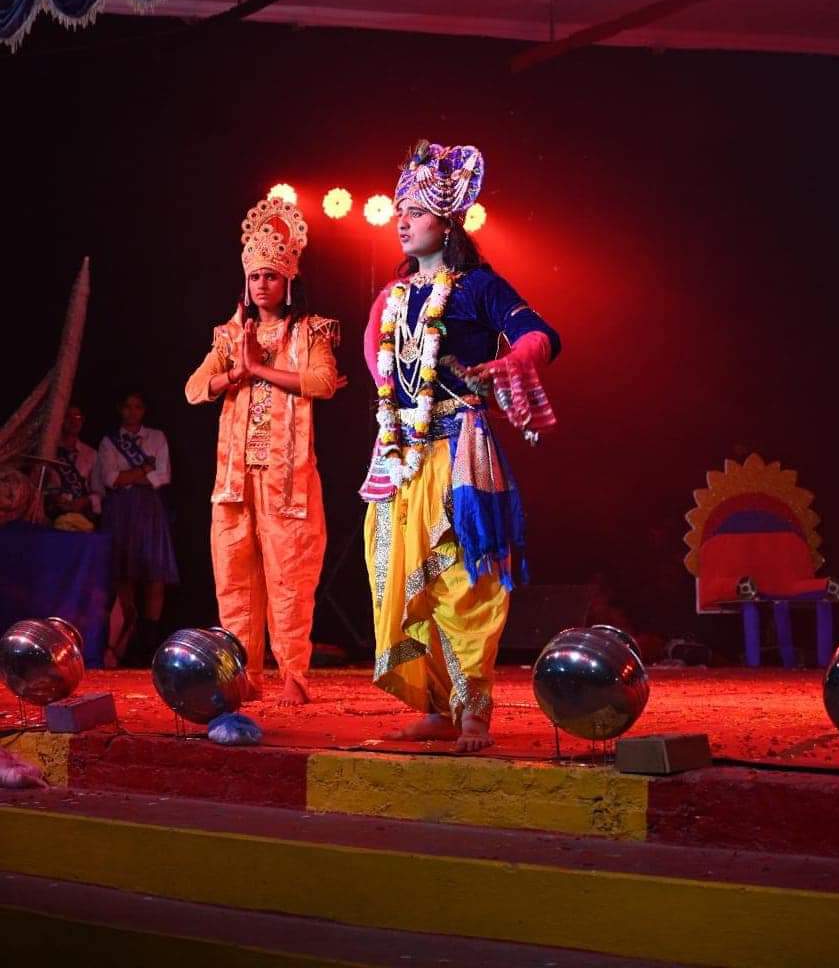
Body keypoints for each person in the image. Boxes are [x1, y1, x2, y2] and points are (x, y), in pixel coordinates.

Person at [361, 140, 560, 753]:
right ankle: (436, 705)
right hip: (400, 452)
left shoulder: (477, 287)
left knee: (460, 580)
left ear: (447, 223)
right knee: (394, 574)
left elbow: (538, 333)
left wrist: (512, 364)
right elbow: (376, 356)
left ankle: (473, 707)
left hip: (457, 450)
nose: (402, 222)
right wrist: (396, 409)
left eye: (416, 212)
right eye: (400, 211)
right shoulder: (393, 297)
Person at [185, 196, 344, 705]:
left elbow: (322, 382)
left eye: (271, 276)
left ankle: (294, 673)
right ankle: (242, 672)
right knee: (234, 574)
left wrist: (261, 370)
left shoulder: (310, 331)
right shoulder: (230, 336)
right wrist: (236, 370)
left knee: (290, 573)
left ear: (288, 280)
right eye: (254, 276)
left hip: (287, 476)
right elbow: (194, 389)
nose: (261, 285)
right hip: (235, 477)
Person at [95, 390, 178, 666]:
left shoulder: (157, 437)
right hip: (121, 509)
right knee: (124, 573)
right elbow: (110, 478)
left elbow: (163, 476)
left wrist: (129, 476)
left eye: (138, 407)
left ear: (144, 410)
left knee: (155, 573)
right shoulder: (109, 441)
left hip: (150, 509)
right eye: (128, 406)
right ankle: (126, 639)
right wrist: (144, 469)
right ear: (120, 409)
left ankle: (150, 642)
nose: (132, 412)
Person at [45, 402, 101, 527]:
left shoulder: (91, 454)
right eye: (68, 416)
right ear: (59, 418)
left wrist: (84, 501)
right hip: (49, 518)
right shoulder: (48, 450)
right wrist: (52, 498)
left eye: (77, 417)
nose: (73, 420)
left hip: (81, 519)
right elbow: (35, 486)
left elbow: (99, 493)